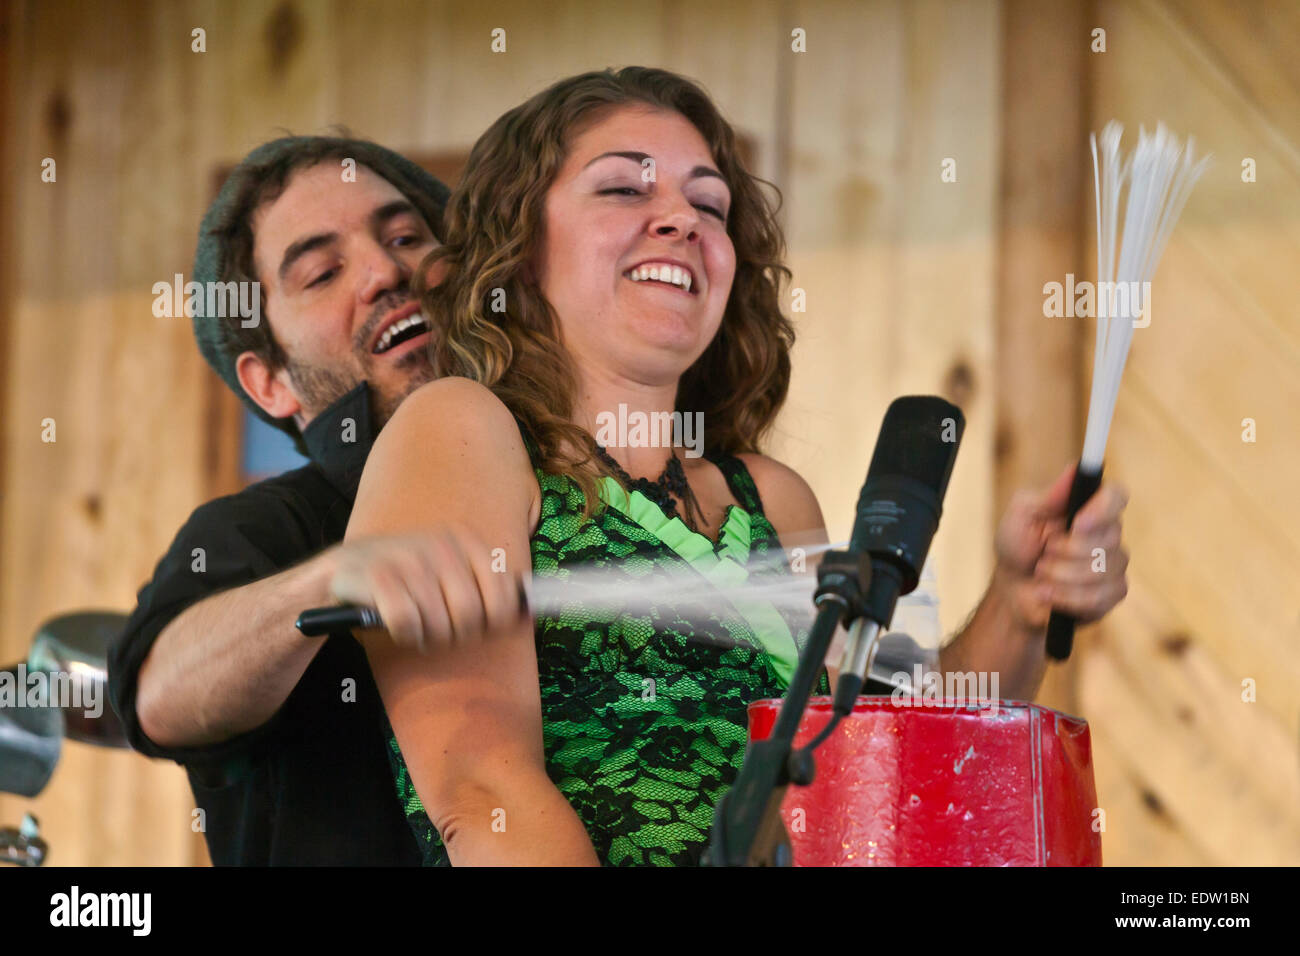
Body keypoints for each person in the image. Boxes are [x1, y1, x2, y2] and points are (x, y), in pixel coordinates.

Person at [336, 67, 1131, 866]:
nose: (680, 219)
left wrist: (1021, 604)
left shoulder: (772, 499)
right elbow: (484, 794)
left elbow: (882, 767)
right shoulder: (458, 427)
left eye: (708, 204)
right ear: (519, 247)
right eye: (623, 190)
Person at [107, 136, 469, 865]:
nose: (385, 270)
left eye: (405, 236)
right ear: (269, 382)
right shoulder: (259, 529)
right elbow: (159, 695)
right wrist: (330, 582)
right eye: (322, 272)